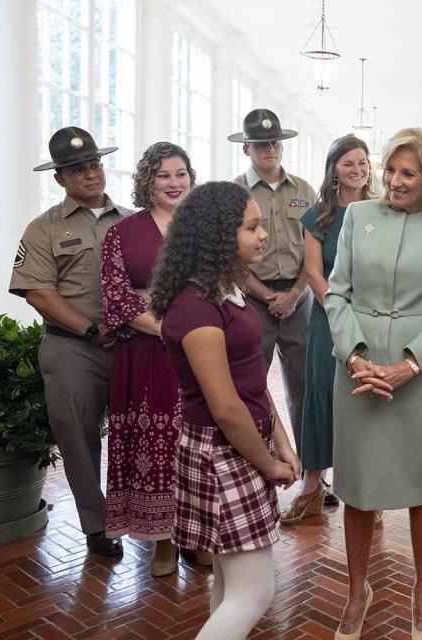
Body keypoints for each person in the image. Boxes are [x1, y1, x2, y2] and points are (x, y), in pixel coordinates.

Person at [325, 128, 422, 640]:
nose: (393, 181)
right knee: (359, 489)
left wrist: (410, 364)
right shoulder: (358, 216)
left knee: (420, 486)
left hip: (421, 375)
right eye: (390, 170)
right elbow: (336, 294)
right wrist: (356, 356)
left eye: (407, 173)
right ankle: (355, 590)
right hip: (357, 370)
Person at [150, 181, 300, 639]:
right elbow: (226, 406)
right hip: (221, 451)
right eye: (252, 227)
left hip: (242, 444)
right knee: (253, 594)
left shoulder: (226, 292)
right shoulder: (194, 308)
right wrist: (268, 463)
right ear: (219, 234)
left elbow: (252, 380)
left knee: (231, 587)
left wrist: (284, 443)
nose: (263, 236)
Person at [9, 126, 130, 556]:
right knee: (77, 435)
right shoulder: (43, 229)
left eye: (94, 164)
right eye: (77, 169)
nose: (90, 174)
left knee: (142, 430)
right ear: (60, 178)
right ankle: (98, 525)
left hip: (133, 343)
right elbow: (39, 291)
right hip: (74, 347)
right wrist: (91, 330)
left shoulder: (134, 221)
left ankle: (146, 515)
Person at [100, 142, 210, 576]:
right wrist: (168, 329)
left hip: (202, 354)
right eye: (163, 174)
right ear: (147, 181)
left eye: (180, 173)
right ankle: (162, 543)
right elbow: (116, 296)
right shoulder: (123, 233)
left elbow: (225, 283)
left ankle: (196, 538)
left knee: (198, 446)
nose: (173, 182)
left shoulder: (205, 230)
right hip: (146, 356)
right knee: (156, 447)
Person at [281, 134, 373, 524]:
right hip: (328, 317)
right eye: (348, 163)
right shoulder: (318, 215)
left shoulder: (382, 212)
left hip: (372, 319)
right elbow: (315, 274)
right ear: (334, 168)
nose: (356, 170)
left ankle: (369, 491)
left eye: (362, 163)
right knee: (320, 395)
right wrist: (338, 312)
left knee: (366, 401)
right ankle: (312, 485)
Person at [230, 108, 317, 470]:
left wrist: (295, 293)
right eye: (262, 143)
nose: (270, 149)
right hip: (252, 301)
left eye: (275, 142)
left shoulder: (304, 190)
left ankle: (311, 473)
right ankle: (255, 468)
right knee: (249, 390)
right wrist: (267, 296)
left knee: (304, 391)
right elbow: (229, 257)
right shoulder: (233, 193)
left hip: (300, 300)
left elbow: (316, 251)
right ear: (246, 148)